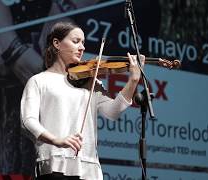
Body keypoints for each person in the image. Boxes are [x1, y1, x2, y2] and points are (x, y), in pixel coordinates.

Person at [20, 21, 144, 180]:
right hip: (54, 164)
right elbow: (27, 121)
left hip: (87, 166)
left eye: (83, 43)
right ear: (57, 43)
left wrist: (133, 80)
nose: (82, 47)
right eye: (75, 41)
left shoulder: (90, 82)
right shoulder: (39, 81)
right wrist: (56, 140)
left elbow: (112, 112)